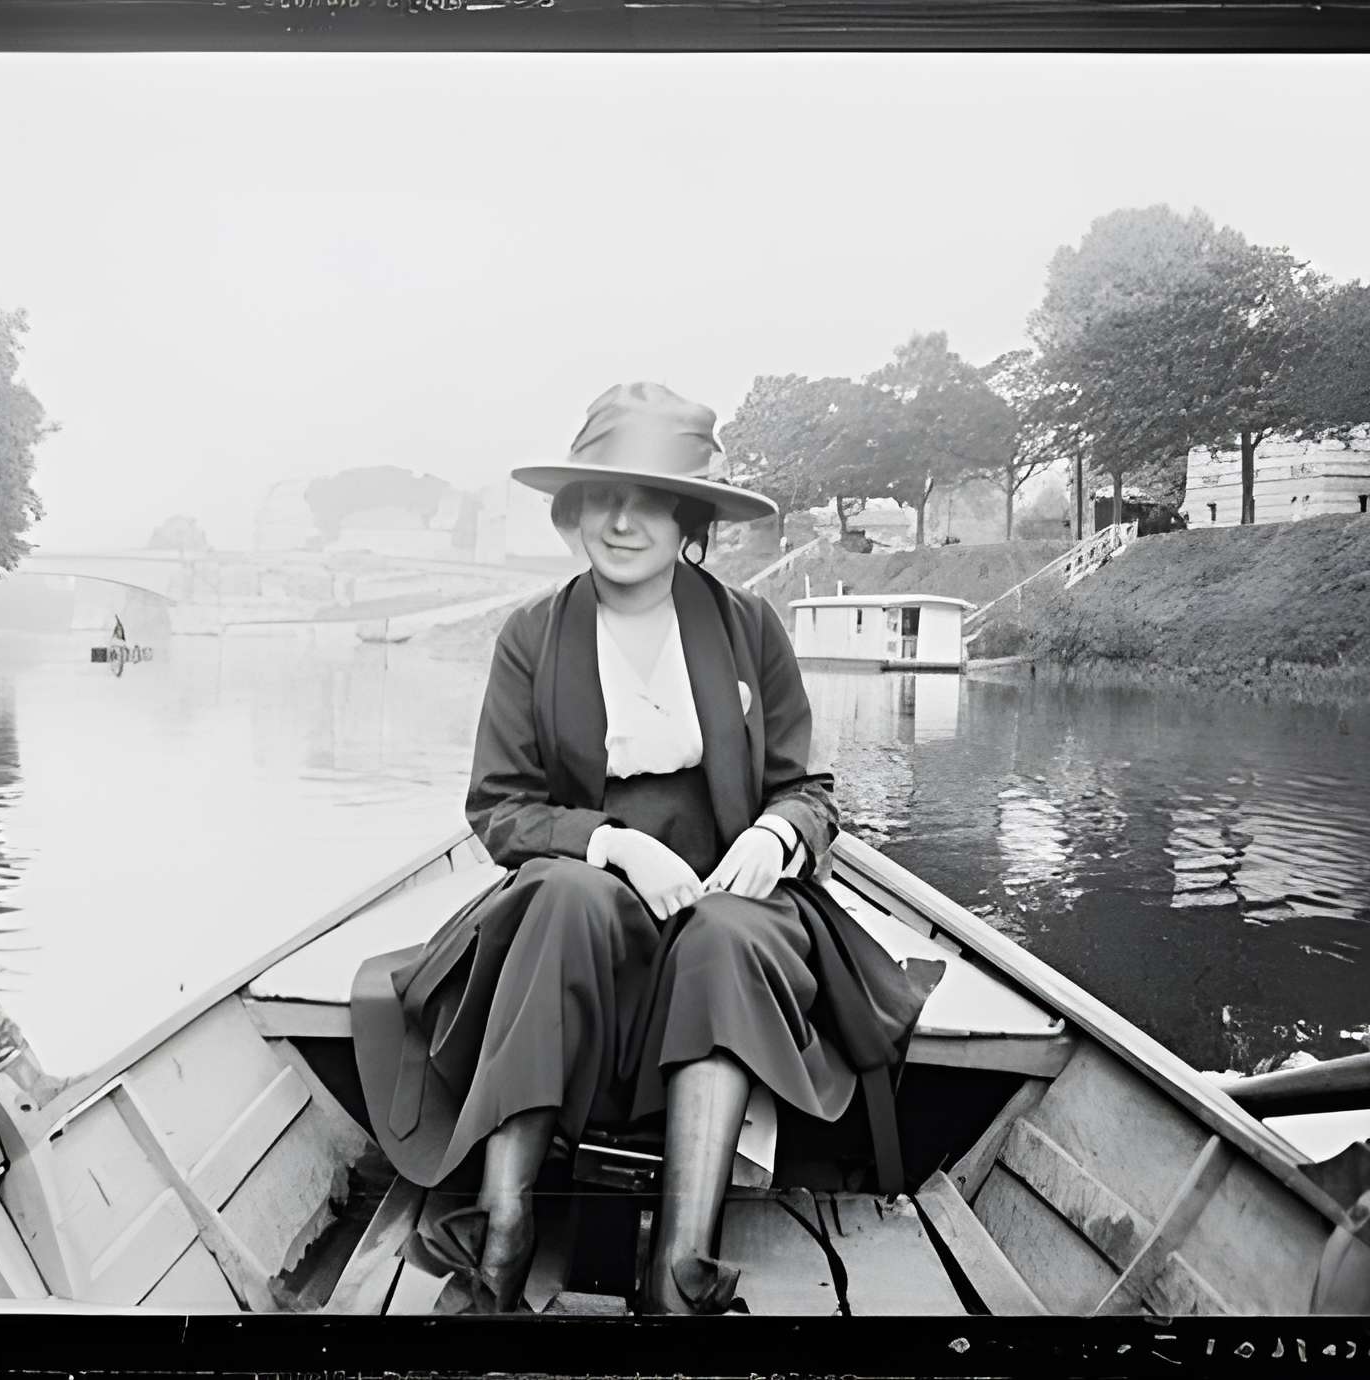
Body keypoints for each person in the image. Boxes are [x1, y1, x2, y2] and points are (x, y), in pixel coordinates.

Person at [350, 383, 942, 1314]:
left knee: (726, 936)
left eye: (649, 498)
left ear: (686, 517)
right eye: (600, 497)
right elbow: (500, 810)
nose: (619, 520)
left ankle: (682, 1273)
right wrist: (613, 845)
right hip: (585, 905)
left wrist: (776, 832)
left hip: (725, 899)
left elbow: (809, 790)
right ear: (574, 509)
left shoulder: (751, 629)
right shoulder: (532, 638)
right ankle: (501, 1235)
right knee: (561, 899)